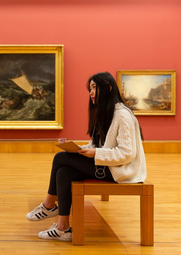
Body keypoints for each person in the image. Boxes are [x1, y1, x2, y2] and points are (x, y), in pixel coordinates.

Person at [26, 72, 147, 241]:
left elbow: (127, 154)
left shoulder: (123, 115)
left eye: (94, 88)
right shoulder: (105, 112)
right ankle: (63, 228)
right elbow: (97, 145)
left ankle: (48, 206)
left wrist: (96, 153)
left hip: (121, 171)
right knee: (64, 172)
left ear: (108, 88)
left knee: (60, 158)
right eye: (89, 88)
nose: (90, 92)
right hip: (108, 165)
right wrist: (78, 149)